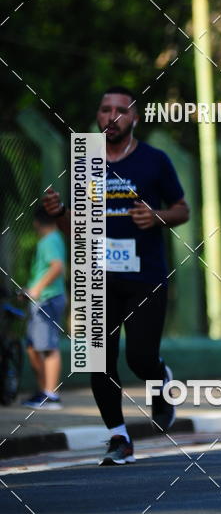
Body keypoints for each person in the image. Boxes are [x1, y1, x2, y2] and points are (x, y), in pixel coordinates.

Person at [44, 86, 189, 464]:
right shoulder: (85, 160)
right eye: (105, 109)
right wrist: (60, 212)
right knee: (97, 360)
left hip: (145, 276)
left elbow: (182, 209)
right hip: (96, 276)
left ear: (134, 118)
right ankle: (119, 438)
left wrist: (157, 216)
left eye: (120, 110)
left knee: (141, 359)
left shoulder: (155, 161)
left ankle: (161, 377)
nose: (112, 116)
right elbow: (73, 228)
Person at [20, 205, 66, 409]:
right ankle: (44, 391)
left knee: (48, 347)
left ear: (36, 222)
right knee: (33, 346)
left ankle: (51, 395)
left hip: (47, 298)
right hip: (44, 297)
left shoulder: (49, 241)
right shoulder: (54, 239)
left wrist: (36, 288)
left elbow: (57, 267)